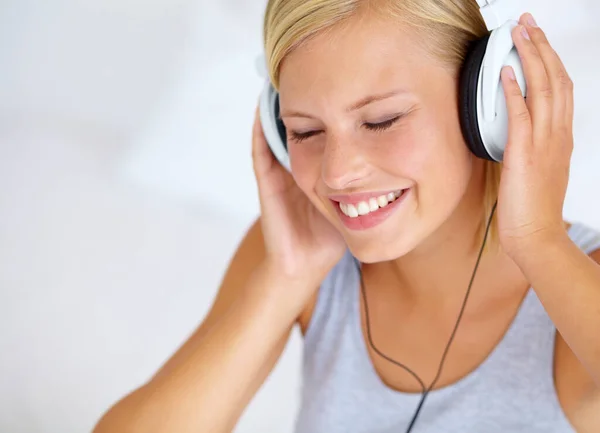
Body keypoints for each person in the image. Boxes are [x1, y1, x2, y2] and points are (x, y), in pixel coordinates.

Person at [93, 1, 600, 432]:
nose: (337, 174)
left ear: (486, 109)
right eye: (306, 132)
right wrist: (285, 279)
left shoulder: (578, 281)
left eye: (382, 120)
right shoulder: (301, 255)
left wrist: (538, 240)